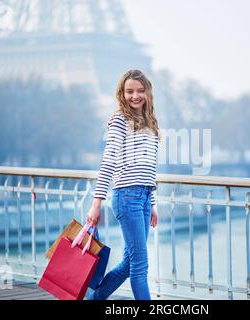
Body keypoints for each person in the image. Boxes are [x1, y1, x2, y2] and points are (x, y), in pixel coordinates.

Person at [86, 69, 160, 300]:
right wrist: (96, 203)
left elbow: (149, 168)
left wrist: (153, 203)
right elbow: (108, 162)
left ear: (148, 93)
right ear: (122, 93)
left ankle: (93, 299)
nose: (135, 96)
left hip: (144, 197)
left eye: (140, 91)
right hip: (127, 197)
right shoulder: (119, 120)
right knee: (140, 266)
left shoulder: (150, 122)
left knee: (130, 263)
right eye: (129, 91)